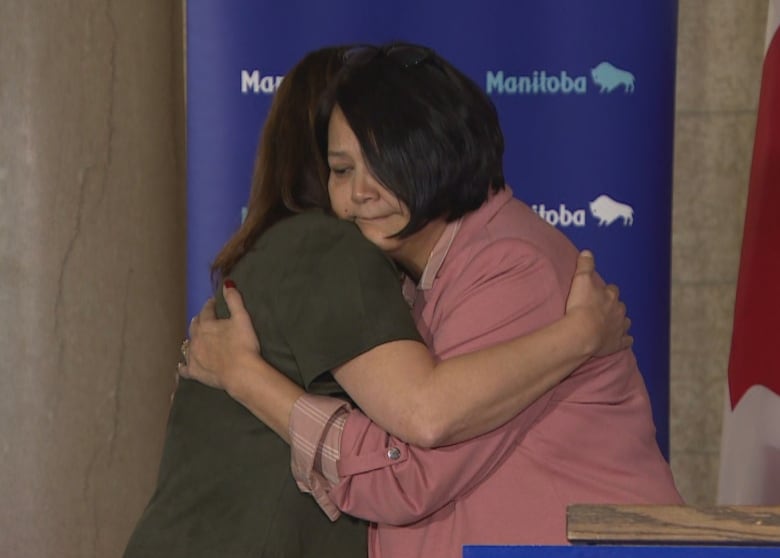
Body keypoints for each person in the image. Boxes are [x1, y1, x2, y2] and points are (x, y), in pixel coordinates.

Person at [123, 46, 630, 558]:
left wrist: (245, 377)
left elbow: (412, 459)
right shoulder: (342, 253)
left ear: (435, 148)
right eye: (341, 170)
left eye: (384, 161)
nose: (360, 192)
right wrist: (580, 336)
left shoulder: (507, 264)